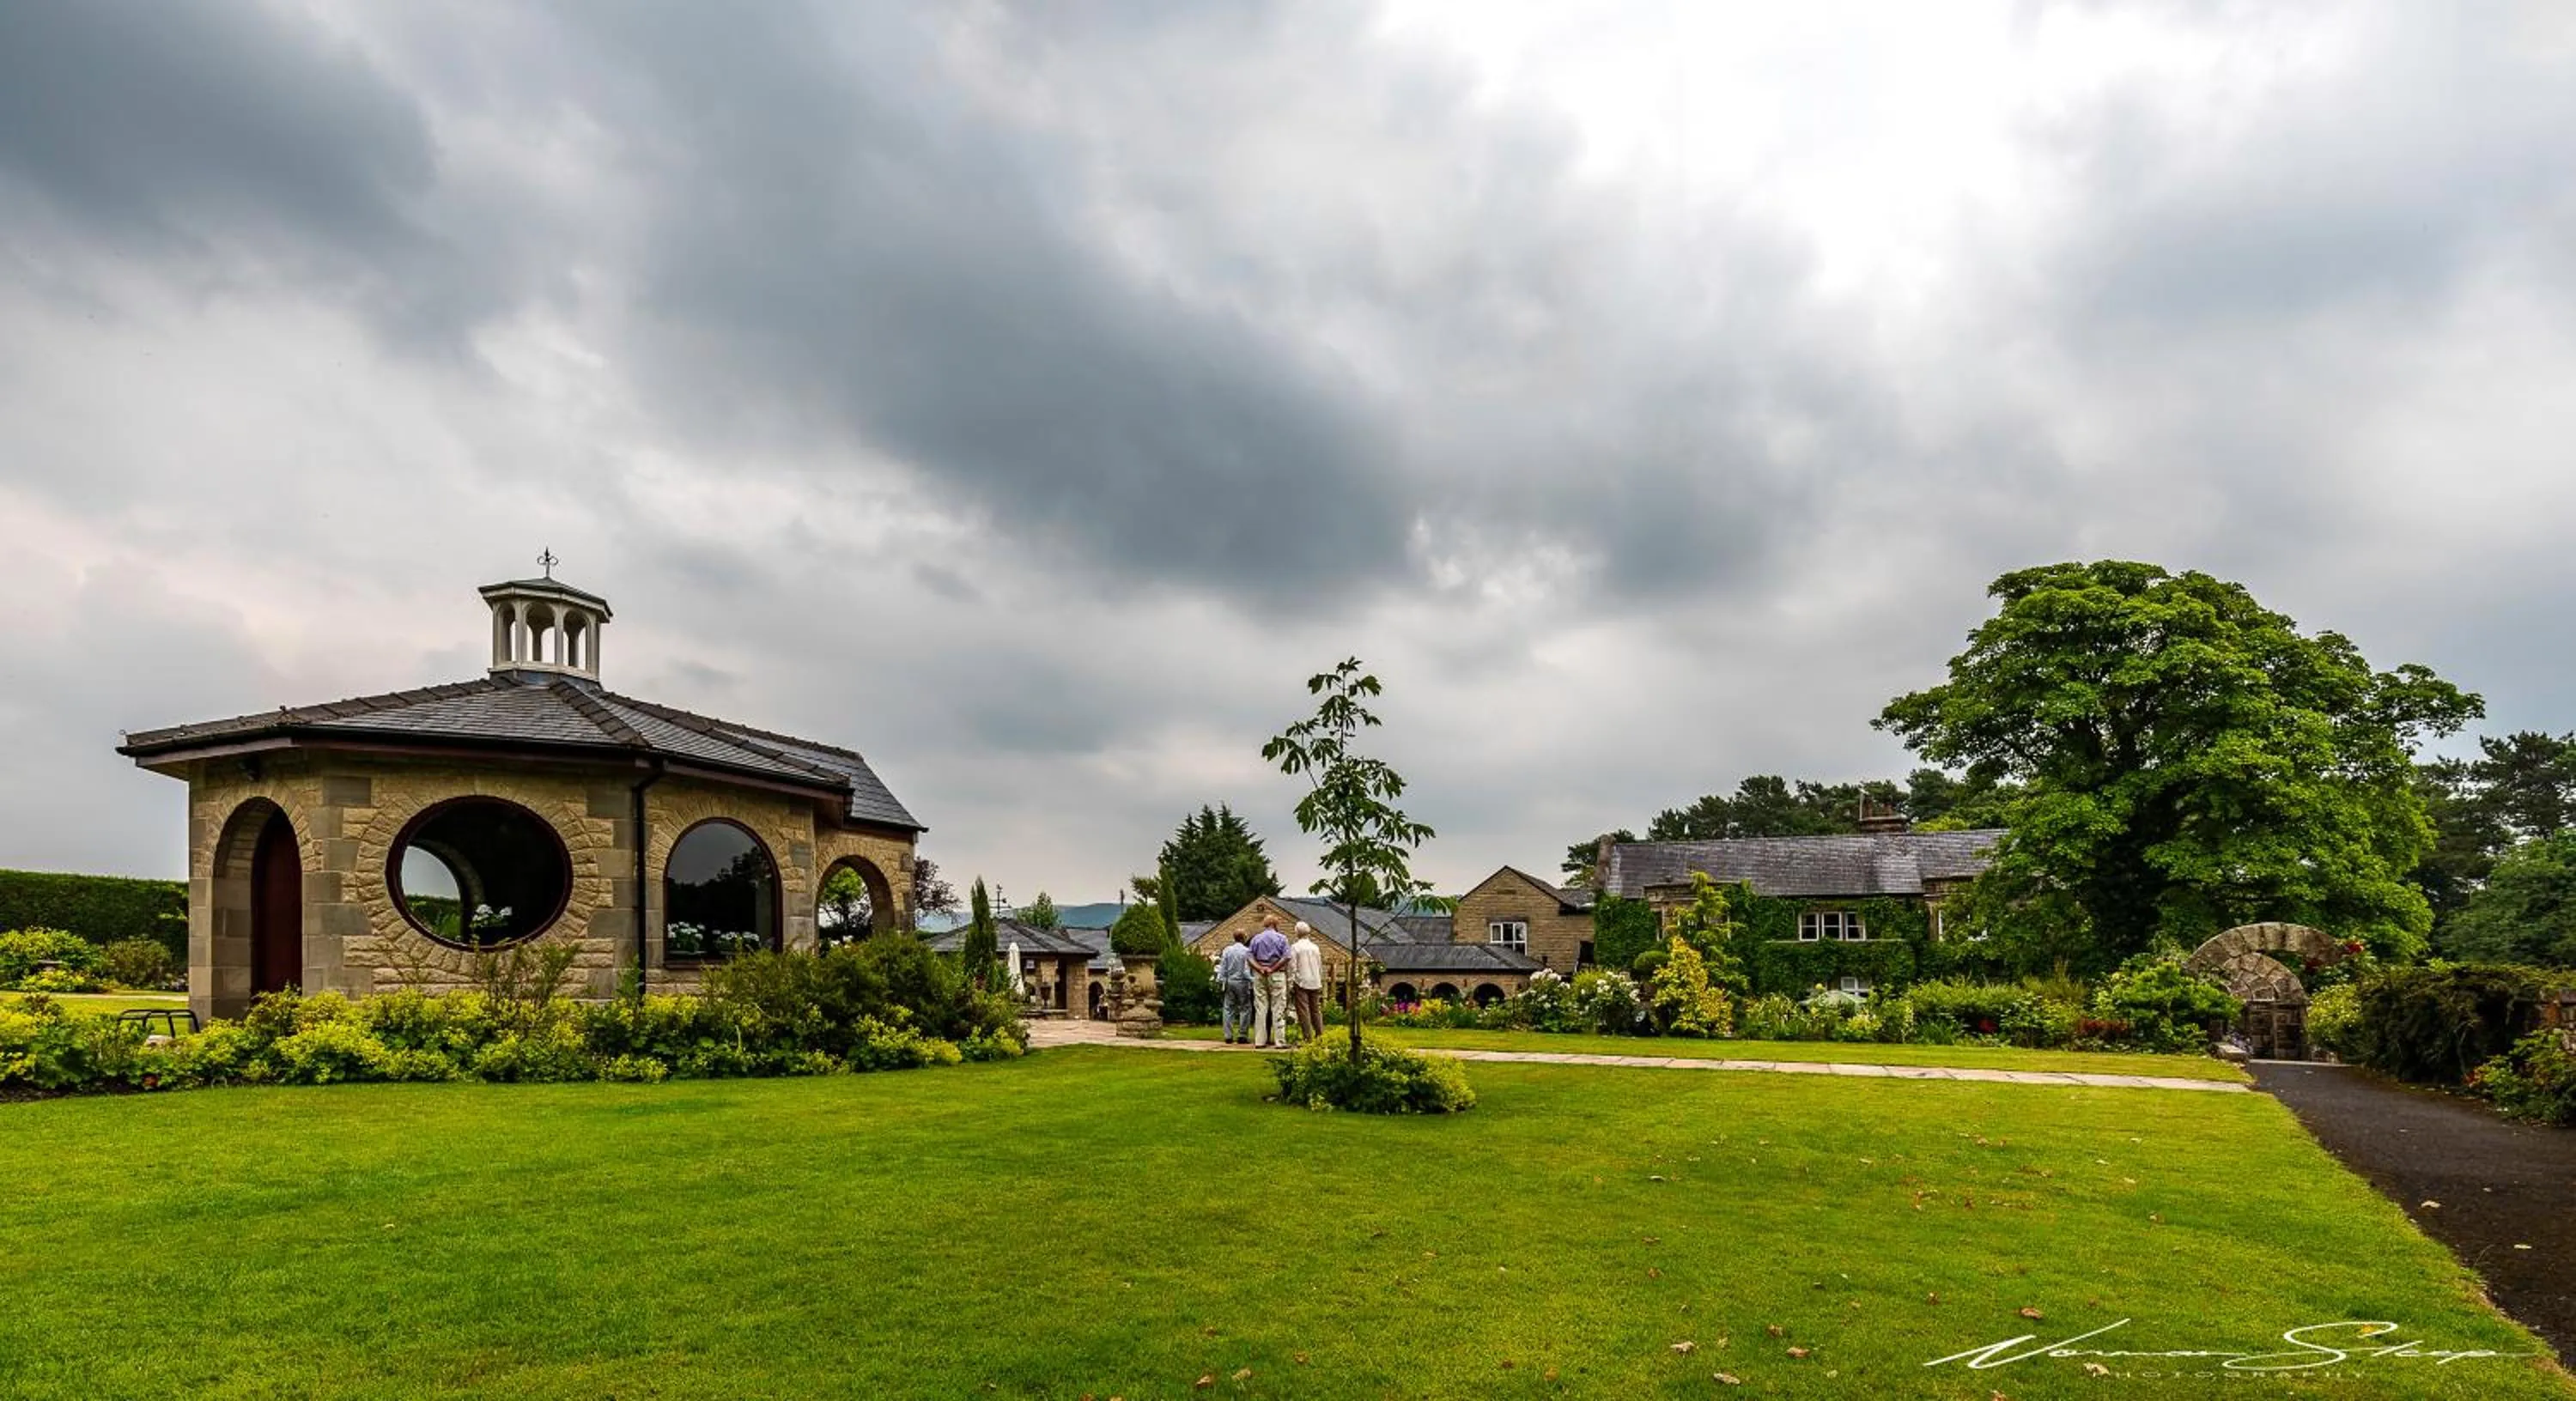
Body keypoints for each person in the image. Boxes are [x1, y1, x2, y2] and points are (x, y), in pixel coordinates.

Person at [1246, 914, 1292, 1049]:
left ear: (1265, 925)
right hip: (1277, 974)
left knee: (1260, 1007)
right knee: (1278, 1007)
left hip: (1260, 975)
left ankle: (1260, 1041)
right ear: (1276, 925)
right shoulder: (1282, 938)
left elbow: (1249, 956)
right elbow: (1287, 957)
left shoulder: (1256, 938)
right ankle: (1280, 1041)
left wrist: (1260, 968)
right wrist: (1272, 968)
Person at [1216, 931, 1256, 1045]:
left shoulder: (1227, 950)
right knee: (1245, 1008)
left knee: (1228, 1008)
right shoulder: (1246, 951)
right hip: (1243, 982)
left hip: (1230, 981)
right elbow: (1246, 970)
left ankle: (1228, 1035)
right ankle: (1242, 1035)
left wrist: (1221, 980)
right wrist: (1253, 980)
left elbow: (1223, 967)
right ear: (1244, 938)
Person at [1288, 921, 1325, 1042]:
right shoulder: (1315, 947)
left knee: (1303, 1010)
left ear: (1297, 932)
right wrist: (1320, 978)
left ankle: (1307, 1037)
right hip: (1315, 980)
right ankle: (1320, 1035)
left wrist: (1290, 983)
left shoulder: (1295, 947)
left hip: (1302, 981)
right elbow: (1319, 966)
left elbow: (1292, 966)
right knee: (1316, 1009)